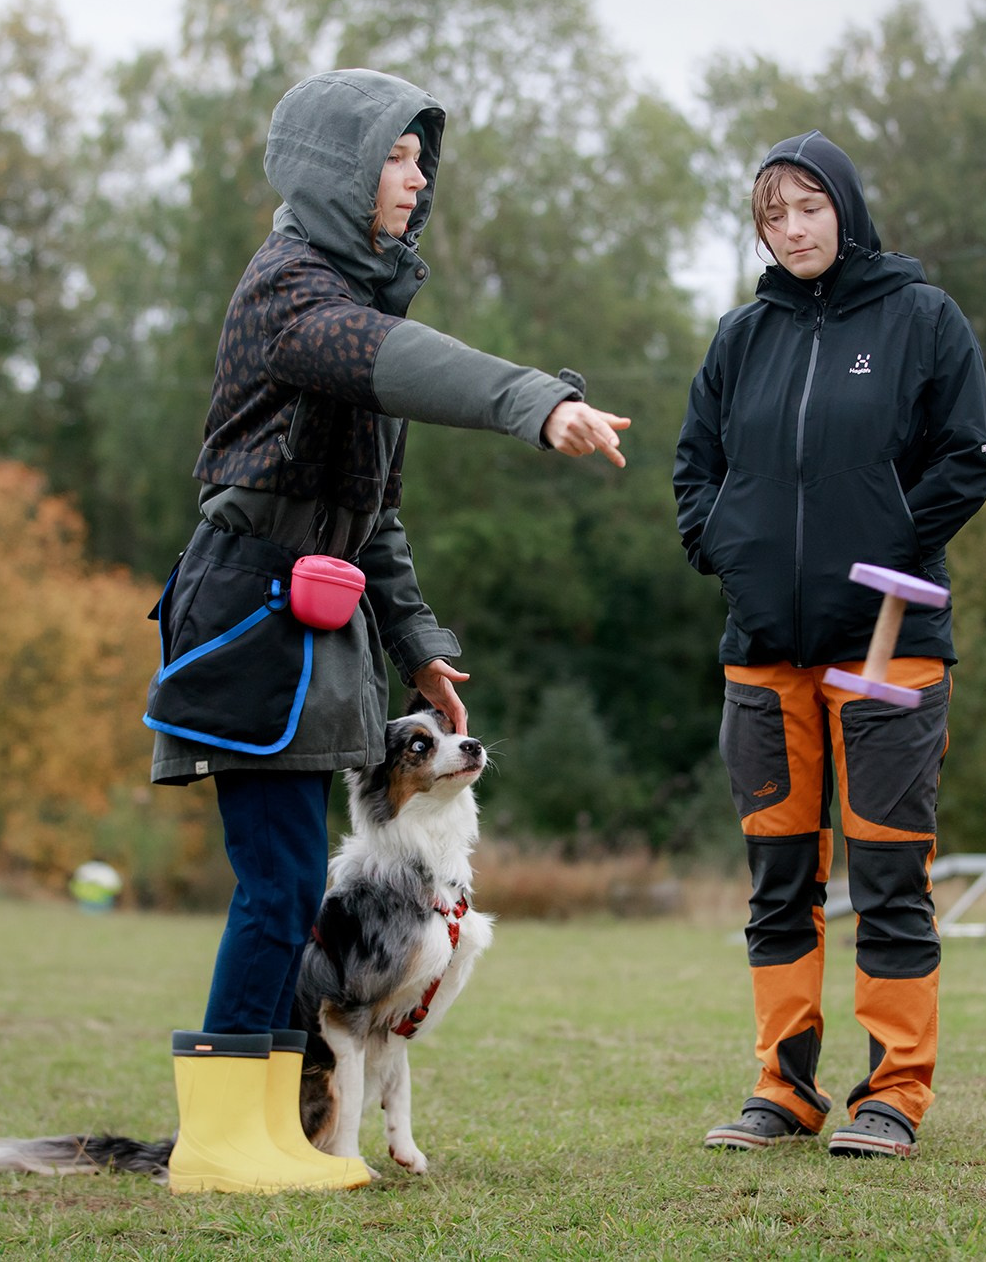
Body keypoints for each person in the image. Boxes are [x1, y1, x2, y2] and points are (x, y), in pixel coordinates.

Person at [144, 68, 629, 1194]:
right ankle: (220, 1141)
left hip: (316, 622)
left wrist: (416, 643)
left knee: (284, 891)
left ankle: (271, 1130)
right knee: (275, 886)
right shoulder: (291, 290)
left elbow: (375, 517)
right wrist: (530, 399)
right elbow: (404, 364)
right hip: (245, 615)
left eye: (420, 159)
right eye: (395, 157)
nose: (415, 180)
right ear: (334, 169)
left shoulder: (355, 296)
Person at [673, 131, 986, 1159]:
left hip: (888, 643)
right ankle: (784, 1086)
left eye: (808, 205)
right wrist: (727, 545)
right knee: (778, 880)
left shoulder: (920, 319)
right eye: (772, 214)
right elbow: (695, 468)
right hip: (763, 651)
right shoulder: (741, 337)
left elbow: (964, 459)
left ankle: (891, 1091)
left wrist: (883, 542)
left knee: (890, 877)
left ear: (844, 209)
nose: (792, 228)